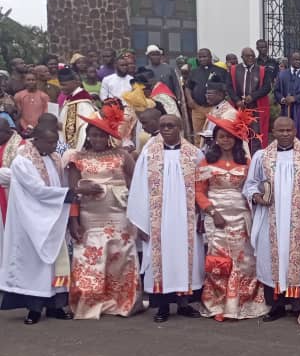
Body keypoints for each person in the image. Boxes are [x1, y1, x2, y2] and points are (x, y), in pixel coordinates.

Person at [0, 127, 83, 323]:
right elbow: (36, 190)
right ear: (36, 139)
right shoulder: (23, 161)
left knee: (55, 264)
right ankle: (34, 310)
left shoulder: (54, 158)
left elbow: (61, 183)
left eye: (55, 141)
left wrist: (67, 196)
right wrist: (69, 194)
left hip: (53, 217)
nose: (53, 146)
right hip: (31, 219)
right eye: (49, 141)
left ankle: (56, 307)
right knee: (36, 267)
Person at [127, 115, 205, 322]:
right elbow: (138, 188)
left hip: (186, 218)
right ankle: (162, 307)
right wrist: (141, 221)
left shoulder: (195, 154)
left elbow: (204, 186)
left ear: (179, 127)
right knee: (160, 261)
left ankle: (184, 304)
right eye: (162, 126)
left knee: (186, 260)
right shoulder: (149, 154)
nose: (166, 129)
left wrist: (203, 216)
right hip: (157, 220)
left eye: (170, 126)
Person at [66, 104, 140, 319]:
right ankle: (89, 303)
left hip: (118, 216)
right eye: (93, 135)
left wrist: (136, 216)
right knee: (88, 260)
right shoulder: (76, 158)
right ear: (87, 136)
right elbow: (71, 193)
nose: (97, 139)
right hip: (90, 217)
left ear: (108, 136)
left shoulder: (122, 156)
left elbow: (136, 186)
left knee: (120, 259)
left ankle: (120, 303)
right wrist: (74, 221)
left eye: (101, 135)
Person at [195, 110, 267, 322]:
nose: (225, 140)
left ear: (236, 139)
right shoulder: (206, 162)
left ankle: (242, 302)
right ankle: (218, 303)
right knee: (219, 260)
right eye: (221, 136)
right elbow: (199, 191)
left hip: (241, 216)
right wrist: (212, 212)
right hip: (216, 217)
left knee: (244, 260)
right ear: (215, 139)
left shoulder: (246, 161)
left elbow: (254, 186)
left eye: (229, 136)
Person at [243, 116, 300, 321]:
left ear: (295, 131)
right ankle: (276, 306)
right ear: (273, 132)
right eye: (280, 130)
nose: (285, 134)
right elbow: (251, 184)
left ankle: (298, 304)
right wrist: (257, 197)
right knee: (271, 259)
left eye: (289, 130)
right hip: (271, 218)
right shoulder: (261, 156)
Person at [229, 47, 272, 148]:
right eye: (247, 56)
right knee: (239, 133)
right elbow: (229, 87)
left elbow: (267, 87)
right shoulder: (234, 70)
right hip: (239, 107)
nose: (251, 58)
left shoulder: (262, 70)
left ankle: (255, 157)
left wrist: (253, 96)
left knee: (256, 134)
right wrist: (237, 100)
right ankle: (241, 157)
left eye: (252, 56)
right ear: (242, 57)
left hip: (256, 108)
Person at [185, 48, 229, 141]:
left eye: (204, 57)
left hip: (215, 109)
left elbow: (227, 87)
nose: (202, 59)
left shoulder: (221, 71)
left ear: (210, 57)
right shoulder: (194, 72)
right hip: (198, 108)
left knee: (215, 133)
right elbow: (188, 87)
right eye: (200, 57)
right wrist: (190, 100)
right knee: (198, 135)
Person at [274, 51, 300, 146]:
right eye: (295, 59)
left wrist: (295, 98)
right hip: (287, 110)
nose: (298, 62)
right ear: (290, 60)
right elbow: (276, 91)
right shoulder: (282, 74)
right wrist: (283, 100)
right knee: (287, 134)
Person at [57, 66, 96, 148]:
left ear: (75, 83)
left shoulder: (83, 103)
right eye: (60, 85)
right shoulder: (70, 98)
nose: (62, 88)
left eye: (64, 85)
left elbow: (85, 127)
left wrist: (61, 126)